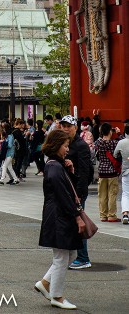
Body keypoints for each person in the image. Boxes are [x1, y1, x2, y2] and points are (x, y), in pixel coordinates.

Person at [35, 129, 83, 310]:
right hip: (59, 216)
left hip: (57, 215)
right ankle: (57, 295)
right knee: (62, 256)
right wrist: (77, 216)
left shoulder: (55, 165)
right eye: (65, 146)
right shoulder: (55, 166)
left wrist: (70, 170)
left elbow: (66, 189)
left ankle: (46, 283)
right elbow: (64, 195)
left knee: (69, 254)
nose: (67, 149)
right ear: (56, 146)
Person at [60, 115, 93, 270]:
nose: (66, 129)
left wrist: (80, 193)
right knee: (72, 223)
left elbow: (85, 172)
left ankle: (83, 257)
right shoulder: (64, 143)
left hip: (77, 191)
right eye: (63, 126)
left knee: (79, 223)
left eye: (69, 126)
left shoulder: (81, 146)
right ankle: (74, 255)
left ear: (76, 127)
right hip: (67, 189)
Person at [94, 123, 121, 223]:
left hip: (101, 171)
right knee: (112, 194)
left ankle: (103, 215)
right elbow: (122, 142)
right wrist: (118, 133)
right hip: (112, 172)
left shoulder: (98, 142)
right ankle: (111, 215)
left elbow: (95, 151)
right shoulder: (114, 143)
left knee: (102, 195)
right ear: (110, 131)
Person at [114, 124, 129, 225]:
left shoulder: (121, 142)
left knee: (126, 193)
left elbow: (115, 154)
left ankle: (125, 214)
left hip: (126, 170)